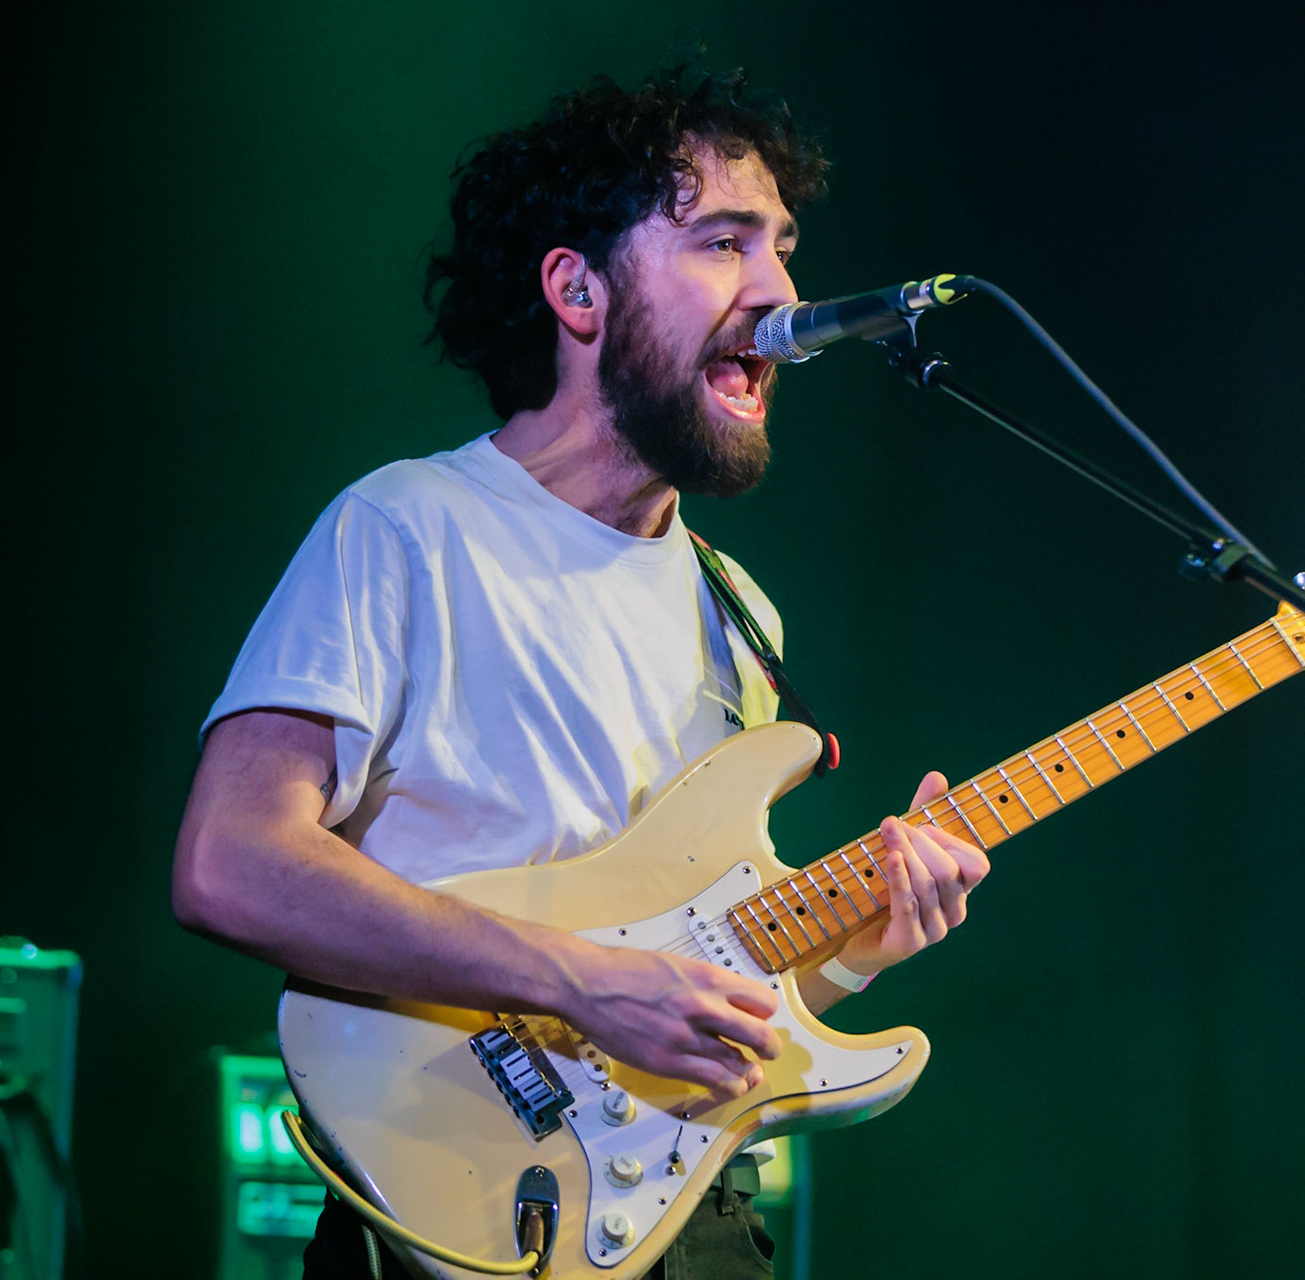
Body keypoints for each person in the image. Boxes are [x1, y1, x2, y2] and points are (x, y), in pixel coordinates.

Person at [172, 67, 991, 1279]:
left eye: (782, 247)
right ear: (578, 289)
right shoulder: (407, 527)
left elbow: (700, 976)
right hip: (452, 1202)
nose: (779, 291)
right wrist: (583, 981)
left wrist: (860, 942)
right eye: (724, 241)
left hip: (693, 1219)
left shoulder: (738, 608)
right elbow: (228, 862)